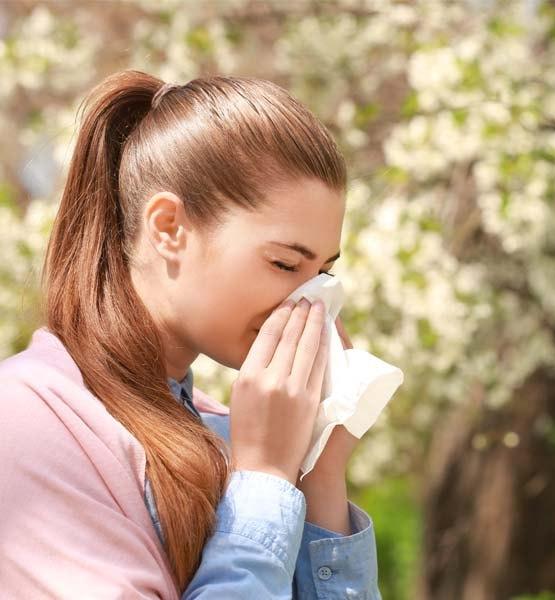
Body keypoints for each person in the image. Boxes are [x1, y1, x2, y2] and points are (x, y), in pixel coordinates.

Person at [0, 70, 381, 599]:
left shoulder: (228, 436)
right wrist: (266, 478)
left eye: (322, 274)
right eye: (284, 263)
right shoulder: (30, 419)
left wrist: (319, 469)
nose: (309, 302)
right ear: (169, 228)